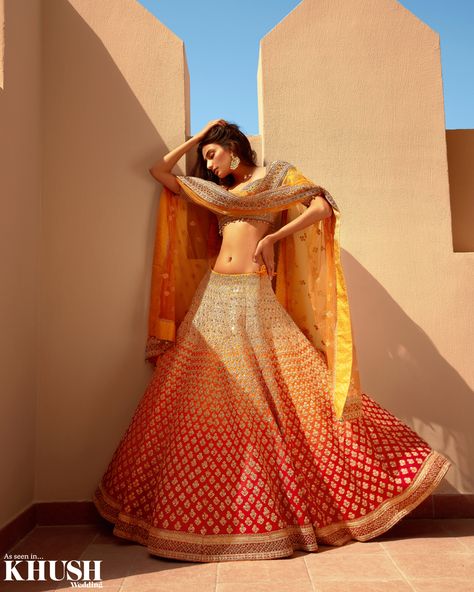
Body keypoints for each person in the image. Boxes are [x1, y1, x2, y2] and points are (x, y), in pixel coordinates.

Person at [92, 119, 451, 563]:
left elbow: (322, 206)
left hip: (253, 294)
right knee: (192, 397)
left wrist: (273, 239)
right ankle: (196, 515)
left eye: (212, 154)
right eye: (204, 157)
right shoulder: (216, 195)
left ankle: (367, 481)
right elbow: (159, 172)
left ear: (234, 149)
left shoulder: (278, 178)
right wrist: (202, 133)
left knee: (298, 389)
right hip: (212, 296)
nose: (207, 164)